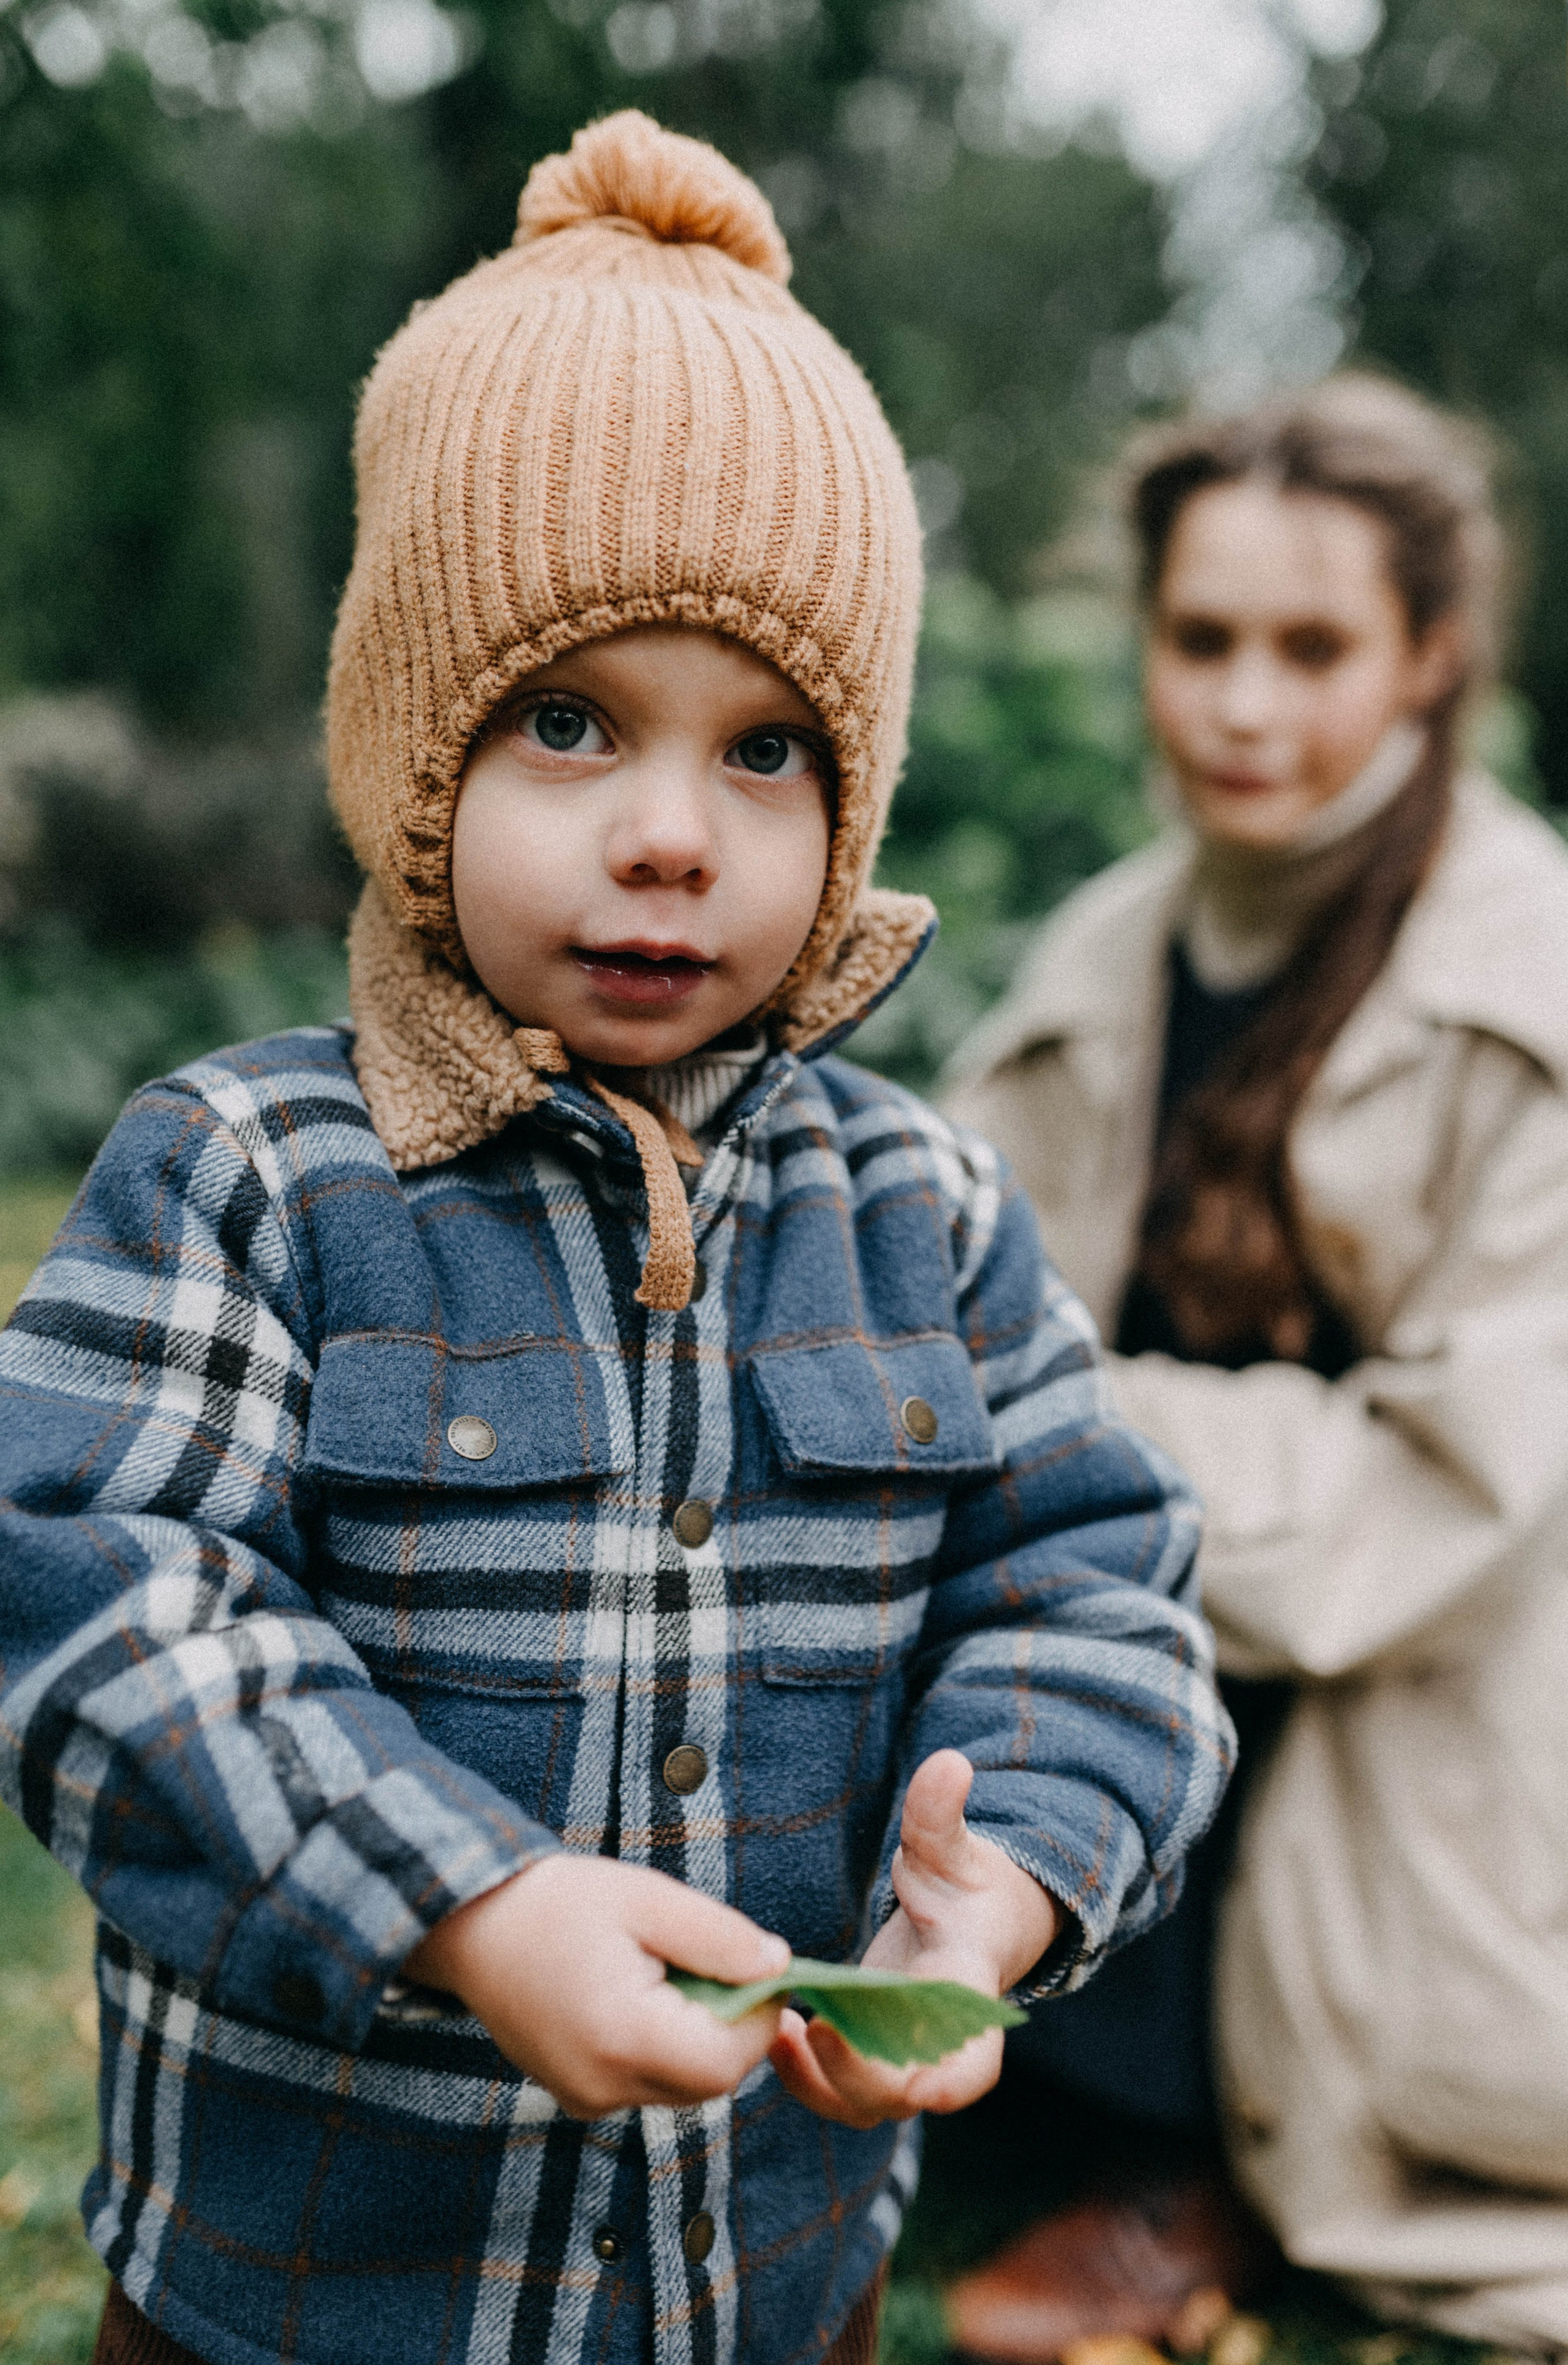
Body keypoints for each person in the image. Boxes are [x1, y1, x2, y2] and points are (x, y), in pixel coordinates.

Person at [0, 114, 1234, 2365]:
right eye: (571, 724)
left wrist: (1013, 1875)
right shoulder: (251, 1175)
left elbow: (1099, 1582)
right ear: (412, 752)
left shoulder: (925, 1208)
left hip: (770, 2278)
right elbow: (98, 1601)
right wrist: (454, 1896)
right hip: (311, 2299)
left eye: (769, 754)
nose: (674, 835)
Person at [944, 373, 1568, 2359]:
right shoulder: (1096, 963)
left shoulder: (1531, 983)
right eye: (1200, 638)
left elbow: (1440, 1499)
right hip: (1128, 1621)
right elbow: (943, 1310)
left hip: (1445, 1679)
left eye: (1313, 649)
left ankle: (1188, 2167)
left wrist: (1064, 1428)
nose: (1242, 704)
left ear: (1430, 658)